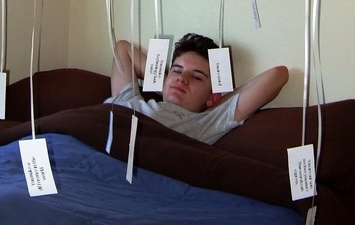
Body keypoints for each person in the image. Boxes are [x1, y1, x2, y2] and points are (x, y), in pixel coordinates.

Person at [107, 32, 289, 146]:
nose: (182, 78)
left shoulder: (205, 123)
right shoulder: (128, 100)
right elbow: (122, 49)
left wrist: (214, 102)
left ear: (212, 97)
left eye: (196, 77)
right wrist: (167, 85)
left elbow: (278, 75)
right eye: (177, 70)